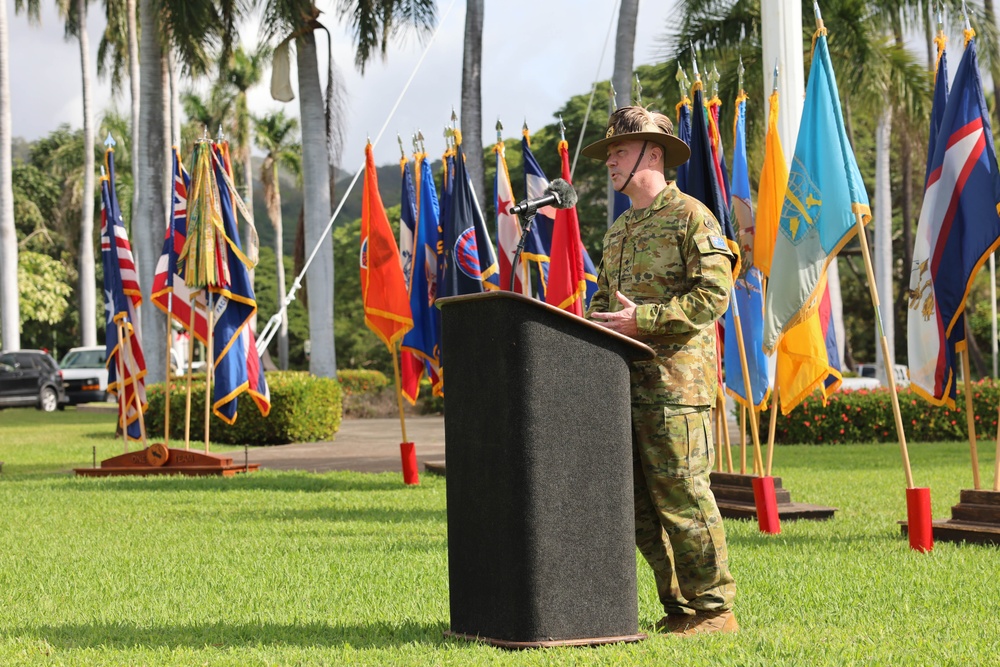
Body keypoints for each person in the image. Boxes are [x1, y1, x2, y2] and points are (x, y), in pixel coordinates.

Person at [581, 106, 737, 635]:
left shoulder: (692, 216)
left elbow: (714, 295)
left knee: (684, 496)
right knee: (640, 507)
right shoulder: (619, 230)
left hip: (676, 386)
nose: (609, 162)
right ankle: (679, 609)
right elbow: (601, 305)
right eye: (608, 155)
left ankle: (715, 609)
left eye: (618, 152)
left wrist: (642, 320)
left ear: (653, 154)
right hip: (620, 386)